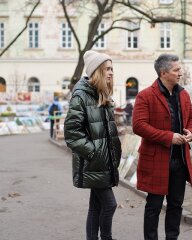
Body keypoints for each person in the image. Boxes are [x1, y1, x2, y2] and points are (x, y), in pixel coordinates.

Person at [132, 53, 192, 240]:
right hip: (156, 162)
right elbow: (138, 126)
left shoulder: (183, 94)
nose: (180, 73)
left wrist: (191, 132)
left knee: (176, 206)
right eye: (176, 70)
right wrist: (168, 137)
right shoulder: (145, 95)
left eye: (180, 69)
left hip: (180, 161)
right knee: (153, 206)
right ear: (163, 73)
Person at [64, 50, 122, 240]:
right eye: (107, 69)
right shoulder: (81, 96)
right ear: (96, 71)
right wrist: (95, 153)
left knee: (96, 206)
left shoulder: (101, 95)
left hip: (103, 163)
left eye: (112, 68)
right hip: (95, 162)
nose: (111, 72)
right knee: (109, 204)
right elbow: (72, 134)